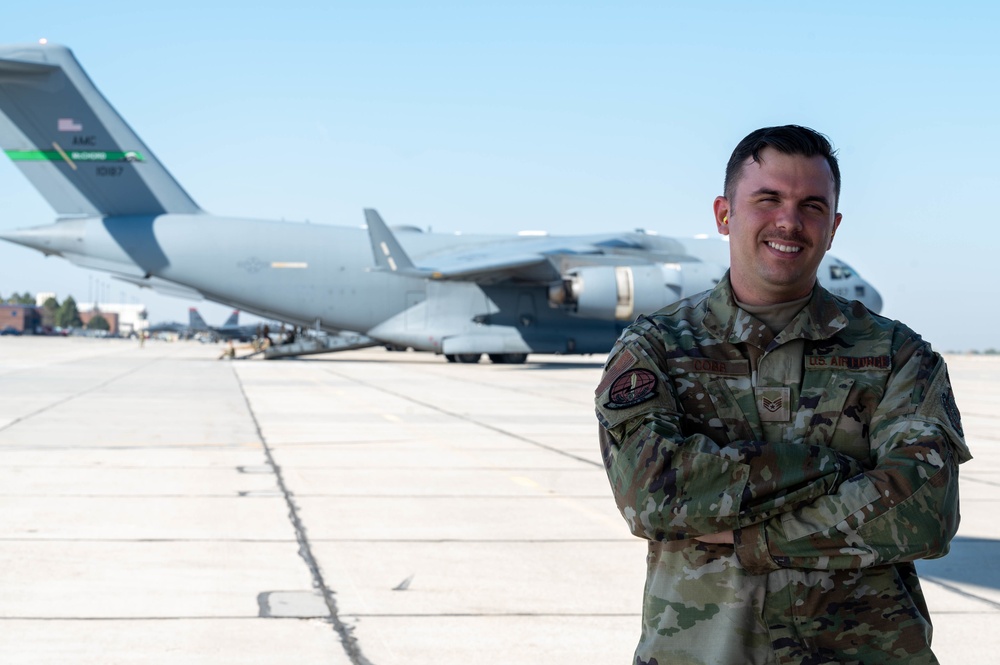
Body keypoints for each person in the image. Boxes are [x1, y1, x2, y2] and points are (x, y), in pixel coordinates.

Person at [595, 125, 971, 665]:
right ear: (725, 214)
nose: (789, 222)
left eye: (812, 206)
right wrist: (833, 470)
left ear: (833, 226)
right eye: (767, 199)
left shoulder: (895, 353)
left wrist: (751, 539)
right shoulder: (657, 346)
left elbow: (923, 513)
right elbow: (653, 494)